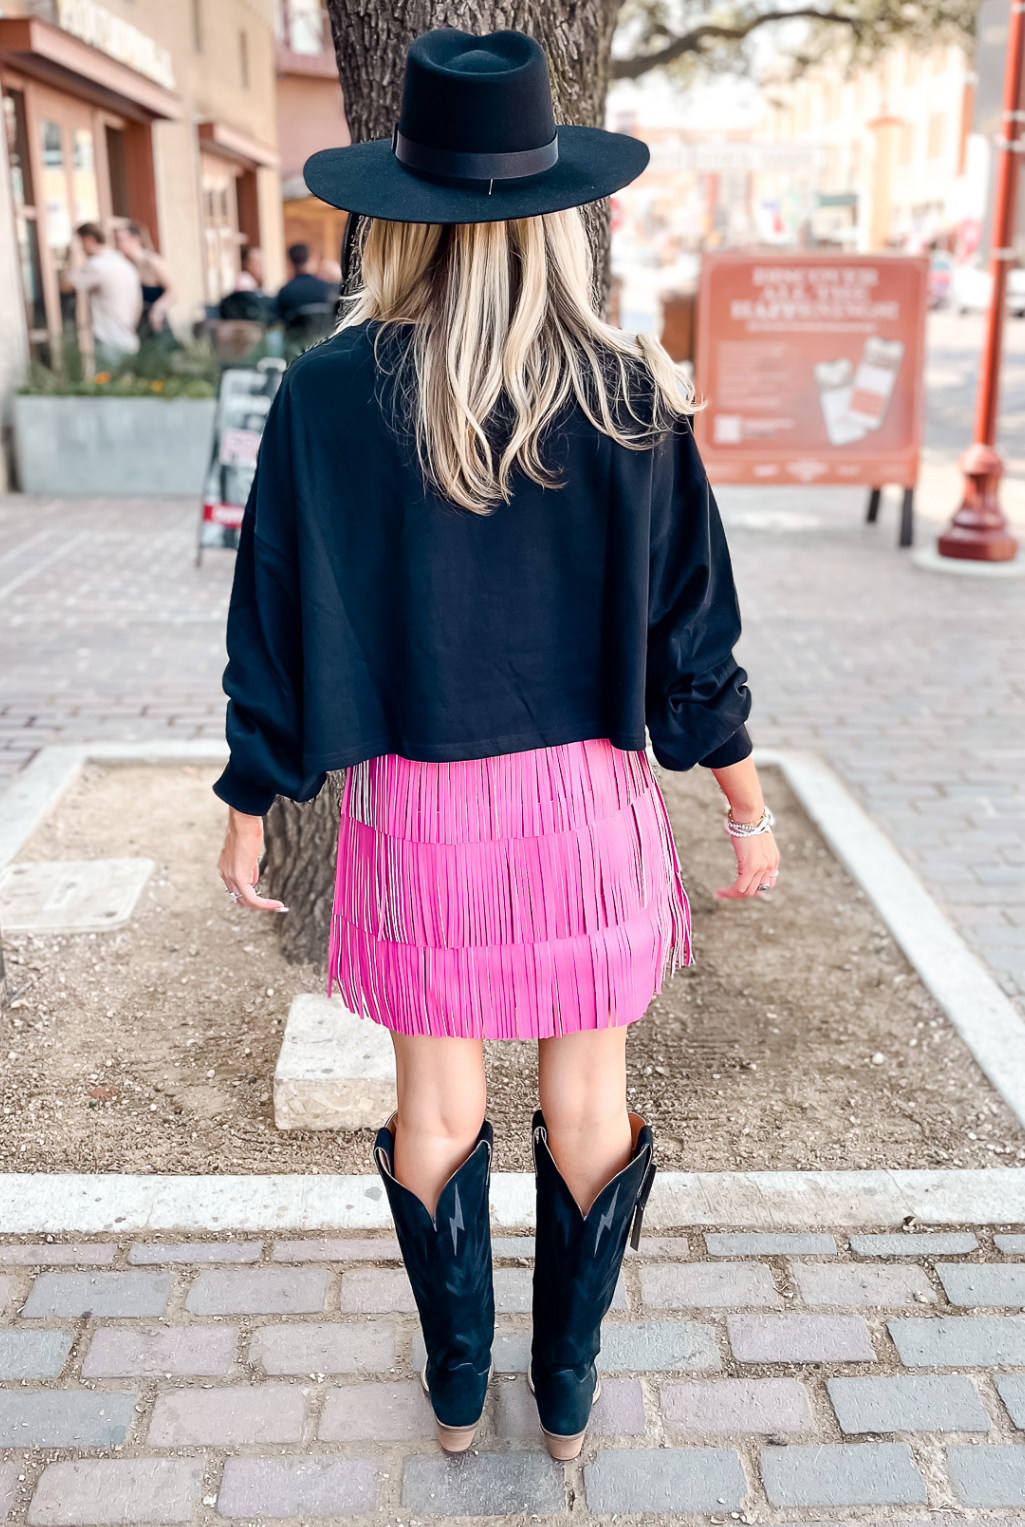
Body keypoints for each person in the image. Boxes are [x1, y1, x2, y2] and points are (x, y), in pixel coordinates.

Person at [215, 28, 778, 1461]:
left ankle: (460, 1385)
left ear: (402, 202)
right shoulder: (634, 397)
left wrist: (251, 786)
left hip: (416, 802)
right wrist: (743, 801)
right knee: (589, 1090)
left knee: (437, 1093)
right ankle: (570, 1390)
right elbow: (692, 630)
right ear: (559, 211)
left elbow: (275, 606)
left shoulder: (329, 395)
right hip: (588, 800)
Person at [68, 222, 142, 368]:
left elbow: (65, 285)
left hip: (109, 340)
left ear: (88, 240)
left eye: (79, 243)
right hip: (129, 339)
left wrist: (73, 255)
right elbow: (137, 306)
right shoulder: (124, 263)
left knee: (108, 387)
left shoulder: (97, 265)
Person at [114, 223, 175, 335]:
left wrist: (158, 309)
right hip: (138, 323)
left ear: (135, 240)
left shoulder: (153, 262)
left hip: (156, 322)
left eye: (120, 240)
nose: (117, 244)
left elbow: (173, 291)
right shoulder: (127, 265)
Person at [276, 242, 331, 326]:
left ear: (289, 262)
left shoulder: (285, 292)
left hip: (295, 338)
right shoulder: (328, 288)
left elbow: (279, 321)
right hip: (325, 337)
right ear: (311, 258)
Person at [219, 246, 273, 322]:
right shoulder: (244, 281)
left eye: (262, 264)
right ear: (246, 264)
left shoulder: (252, 283)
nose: (260, 268)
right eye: (256, 264)